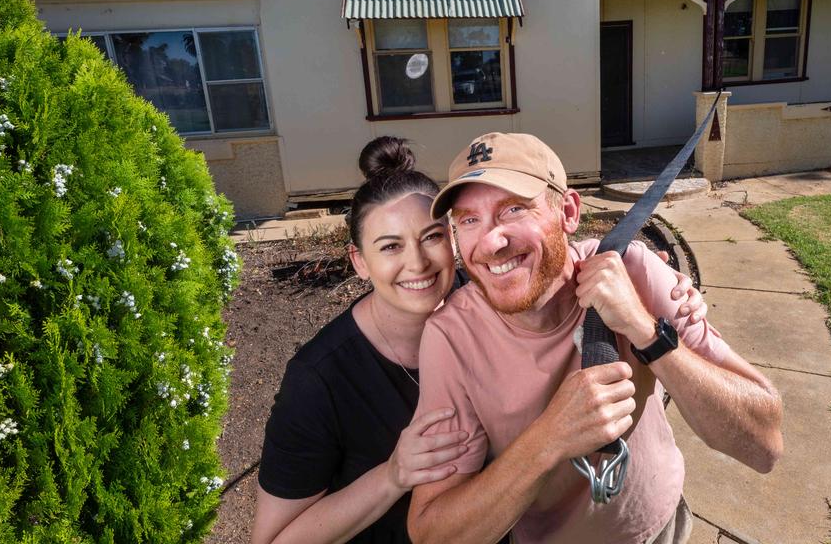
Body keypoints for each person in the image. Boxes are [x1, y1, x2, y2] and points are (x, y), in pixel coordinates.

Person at [250, 136, 709, 544]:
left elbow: (548, 255)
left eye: (431, 237)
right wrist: (391, 477)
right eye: (389, 247)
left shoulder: (485, 298)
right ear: (359, 262)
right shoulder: (318, 379)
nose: (417, 264)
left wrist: (650, 281)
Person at [407, 132, 785, 544]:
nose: (491, 242)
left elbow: (764, 444)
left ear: (568, 211)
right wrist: (550, 437)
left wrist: (645, 330)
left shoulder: (633, 271)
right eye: (468, 220)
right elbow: (433, 534)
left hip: (660, 527)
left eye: (514, 210)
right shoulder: (451, 338)